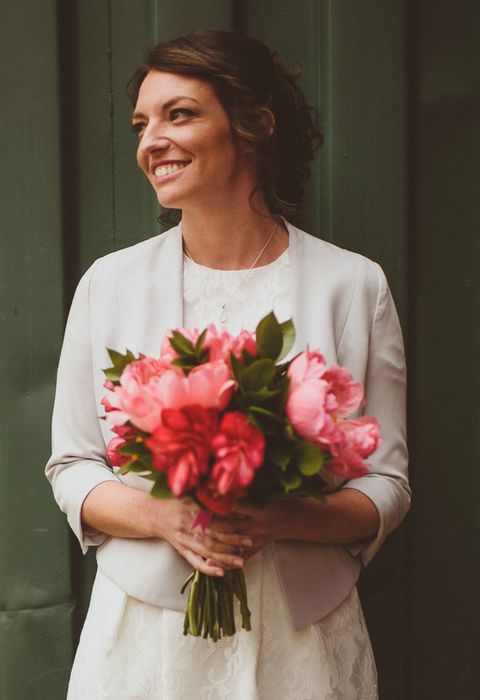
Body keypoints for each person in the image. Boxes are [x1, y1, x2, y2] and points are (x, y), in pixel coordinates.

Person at [45, 30, 409, 699]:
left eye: (178, 114)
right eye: (141, 123)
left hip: (304, 638)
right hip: (145, 640)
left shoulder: (353, 286)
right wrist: (167, 518)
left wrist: (275, 518)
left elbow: (386, 485)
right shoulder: (109, 285)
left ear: (255, 125)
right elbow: (73, 467)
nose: (150, 140)